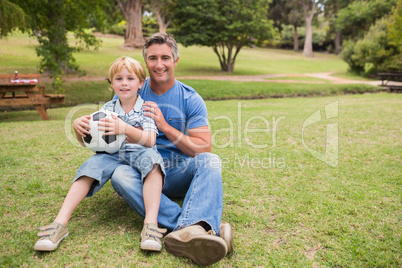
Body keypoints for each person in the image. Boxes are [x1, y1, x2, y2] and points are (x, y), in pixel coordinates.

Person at [110, 33, 234, 266]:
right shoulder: (132, 90)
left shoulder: (190, 98)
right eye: (153, 58)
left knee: (211, 160)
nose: (159, 64)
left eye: (165, 58)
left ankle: (191, 229)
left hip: (178, 172)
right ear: (145, 62)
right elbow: (109, 131)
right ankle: (202, 229)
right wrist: (80, 126)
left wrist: (164, 126)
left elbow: (202, 147)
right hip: (143, 172)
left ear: (175, 61)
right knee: (119, 175)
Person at [34, 56, 167, 252]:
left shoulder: (147, 108)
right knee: (91, 165)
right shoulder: (106, 109)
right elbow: (93, 143)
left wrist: (124, 128)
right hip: (112, 155)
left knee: (154, 163)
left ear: (141, 83)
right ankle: (59, 224)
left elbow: (150, 140)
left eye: (130, 79)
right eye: (118, 79)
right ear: (111, 84)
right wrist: (79, 131)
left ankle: (150, 226)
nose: (124, 83)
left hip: (141, 153)